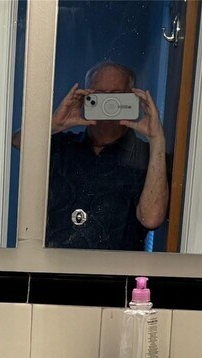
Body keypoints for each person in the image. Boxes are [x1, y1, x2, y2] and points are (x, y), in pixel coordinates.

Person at [43, 61, 169, 250]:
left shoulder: (147, 157)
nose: (108, 103)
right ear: (85, 98)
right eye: (99, 95)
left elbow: (151, 219)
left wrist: (156, 138)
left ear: (132, 100)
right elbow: (18, 142)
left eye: (116, 95)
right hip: (54, 264)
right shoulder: (63, 146)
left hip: (116, 267)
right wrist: (53, 125)